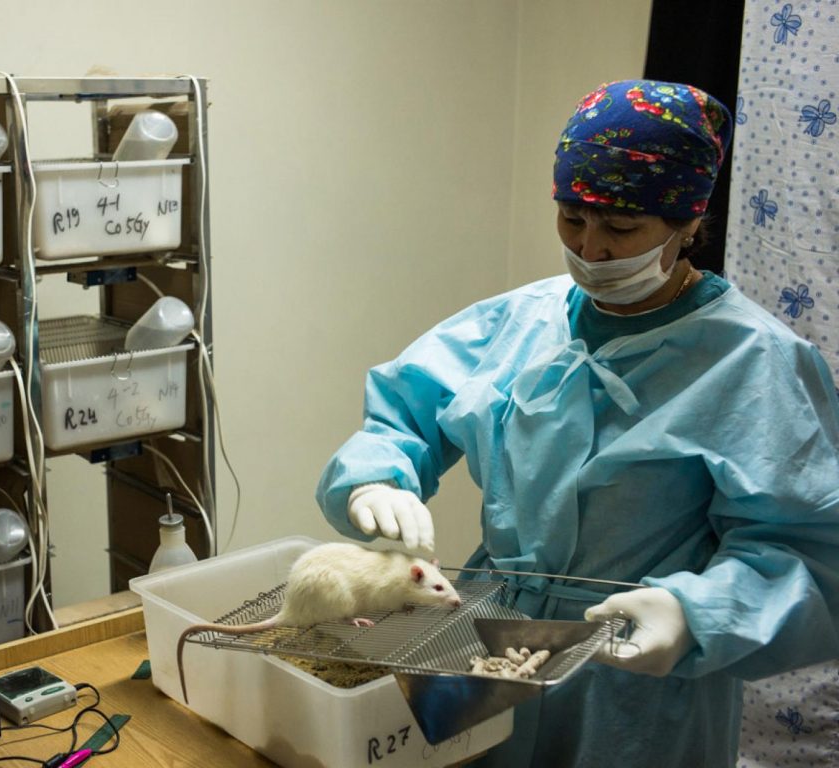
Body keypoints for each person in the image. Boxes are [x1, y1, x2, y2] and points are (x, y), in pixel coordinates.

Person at [315, 79, 839, 768]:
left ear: (687, 223)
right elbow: (405, 414)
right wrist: (376, 477)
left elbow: (807, 552)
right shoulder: (522, 320)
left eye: (621, 228)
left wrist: (695, 615)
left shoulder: (756, 361)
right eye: (572, 219)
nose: (591, 250)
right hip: (487, 647)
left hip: (635, 679)